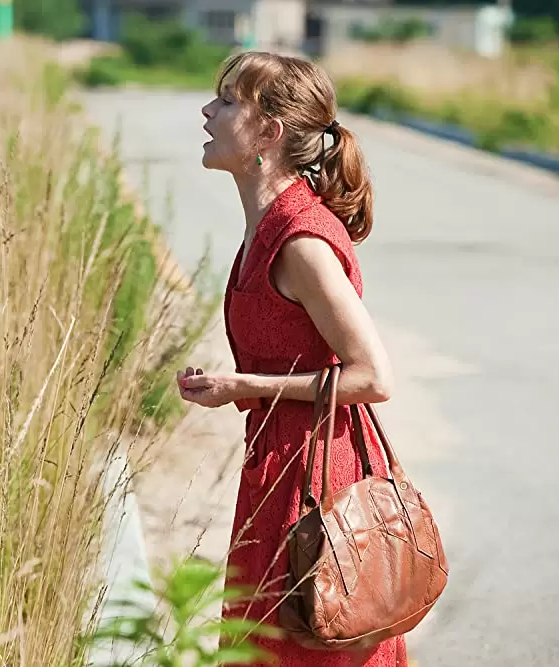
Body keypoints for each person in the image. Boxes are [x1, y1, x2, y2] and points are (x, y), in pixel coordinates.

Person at [175, 51, 407, 666]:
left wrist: (242, 383)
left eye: (227, 101)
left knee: (308, 649)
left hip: (316, 483)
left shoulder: (301, 241)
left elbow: (373, 377)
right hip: (278, 470)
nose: (208, 110)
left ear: (268, 133)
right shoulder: (265, 224)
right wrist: (238, 388)